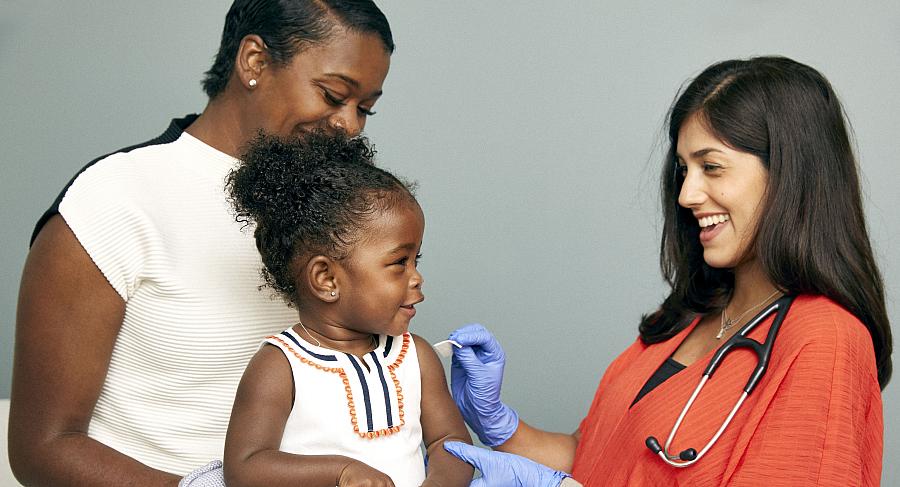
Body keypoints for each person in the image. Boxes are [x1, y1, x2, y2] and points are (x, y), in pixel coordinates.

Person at [442, 56, 892, 486]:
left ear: (791, 175)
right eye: (684, 169)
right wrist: (500, 425)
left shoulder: (825, 341)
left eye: (711, 167)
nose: (687, 194)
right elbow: (598, 458)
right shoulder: (685, 318)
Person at [9, 1, 394, 485]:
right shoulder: (114, 199)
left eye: (365, 108)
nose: (350, 125)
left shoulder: (340, 211)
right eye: (333, 94)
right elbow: (43, 448)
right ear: (254, 61)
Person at [219, 132, 473, 487]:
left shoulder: (416, 356)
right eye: (400, 262)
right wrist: (340, 471)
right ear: (326, 279)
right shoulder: (281, 365)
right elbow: (245, 467)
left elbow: (451, 441)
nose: (417, 278)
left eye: (417, 259)